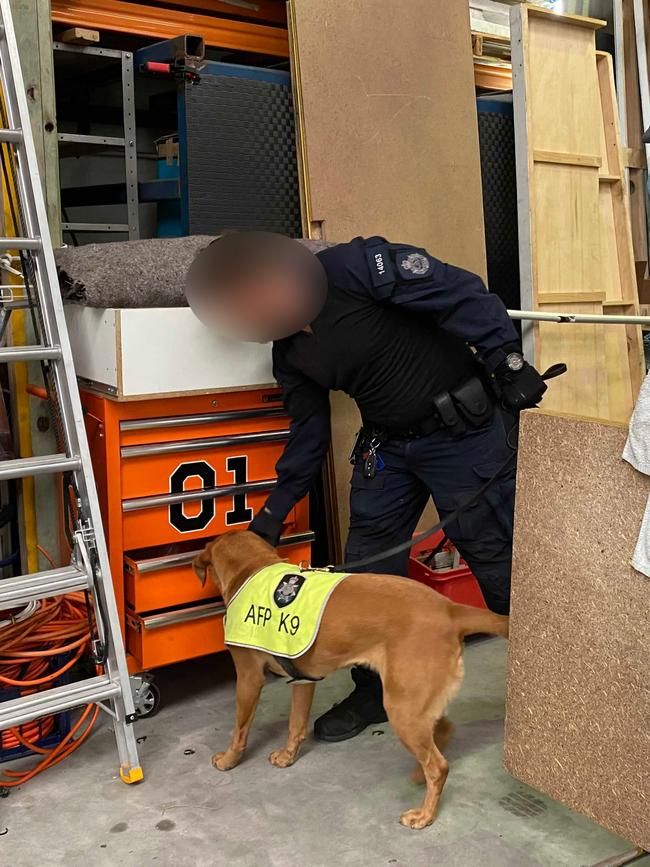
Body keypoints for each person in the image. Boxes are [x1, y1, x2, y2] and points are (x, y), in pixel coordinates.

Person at [185, 231, 546, 742]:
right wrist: (270, 518)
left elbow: (461, 293)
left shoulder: (355, 267)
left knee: (493, 554)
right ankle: (375, 690)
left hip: (463, 432)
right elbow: (308, 440)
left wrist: (507, 362)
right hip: (390, 446)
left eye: (256, 289)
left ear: (273, 271)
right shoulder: (289, 355)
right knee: (366, 564)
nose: (254, 303)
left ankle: (546, 684)